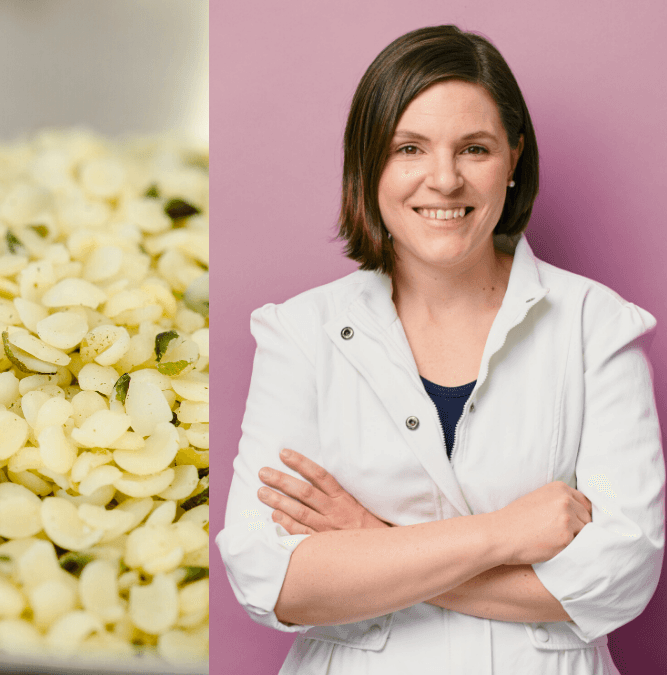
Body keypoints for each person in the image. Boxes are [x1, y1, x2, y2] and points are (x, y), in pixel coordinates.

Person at [215, 25, 664, 674]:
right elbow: (273, 577)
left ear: (513, 158)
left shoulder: (598, 326)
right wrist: (502, 534)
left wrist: (371, 544)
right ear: (369, 163)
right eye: (410, 148)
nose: (444, 179)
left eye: (474, 148)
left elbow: (622, 575)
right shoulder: (298, 332)